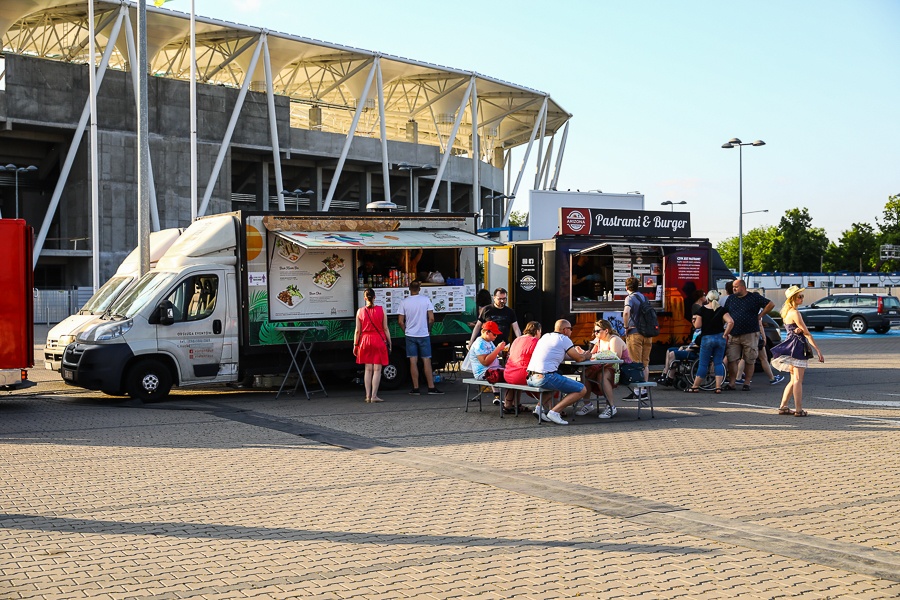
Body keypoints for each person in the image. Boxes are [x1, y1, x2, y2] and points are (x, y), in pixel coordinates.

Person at [770, 285, 825, 417]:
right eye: (799, 296)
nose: (802, 298)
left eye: (802, 296)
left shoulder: (787, 313)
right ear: (793, 298)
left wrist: (799, 331)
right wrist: (818, 350)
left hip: (790, 346)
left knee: (793, 379)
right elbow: (806, 333)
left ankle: (783, 407)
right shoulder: (795, 313)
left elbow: (796, 330)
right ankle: (798, 410)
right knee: (798, 380)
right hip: (797, 347)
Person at [526, 319, 591, 425]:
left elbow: (561, 354)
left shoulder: (546, 336)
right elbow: (579, 359)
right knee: (582, 389)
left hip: (530, 377)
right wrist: (586, 355)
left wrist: (577, 355)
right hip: (545, 377)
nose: (571, 332)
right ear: (565, 330)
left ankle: (539, 409)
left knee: (556, 383)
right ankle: (555, 412)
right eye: (571, 329)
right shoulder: (564, 339)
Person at [724, 279, 774, 391]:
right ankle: (732, 383)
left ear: (743, 287)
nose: (734, 289)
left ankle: (747, 383)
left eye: (736, 286)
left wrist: (761, 315)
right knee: (732, 359)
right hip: (734, 334)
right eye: (733, 287)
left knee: (750, 359)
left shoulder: (754, 297)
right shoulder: (731, 298)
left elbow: (771, 304)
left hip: (750, 333)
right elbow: (725, 312)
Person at [576, 319, 631, 419]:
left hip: (619, 369)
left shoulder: (614, 339)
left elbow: (616, 357)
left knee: (602, 375)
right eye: (594, 331)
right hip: (603, 366)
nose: (595, 333)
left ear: (606, 330)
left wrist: (596, 358)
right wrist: (582, 352)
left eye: (597, 331)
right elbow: (592, 355)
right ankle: (587, 404)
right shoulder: (599, 341)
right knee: (585, 373)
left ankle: (611, 406)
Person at [397, 280, 443, 396]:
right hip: (424, 334)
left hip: (410, 335)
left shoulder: (404, 302)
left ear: (409, 289)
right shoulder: (426, 300)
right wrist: (429, 329)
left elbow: (400, 321)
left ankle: (416, 388)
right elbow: (431, 318)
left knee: (413, 361)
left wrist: (406, 330)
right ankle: (431, 387)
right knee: (426, 360)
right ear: (419, 289)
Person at [685, 290, 734, 393]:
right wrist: (725, 334)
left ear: (707, 298)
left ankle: (695, 386)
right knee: (718, 363)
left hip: (707, 338)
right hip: (720, 338)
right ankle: (718, 387)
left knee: (703, 364)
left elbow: (698, 326)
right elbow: (730, 322)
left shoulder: (702, 310)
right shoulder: (722, 310)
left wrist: (694, 321)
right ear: (718, 298)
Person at [353, 287, 391, 403]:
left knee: (368, 369)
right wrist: (390, 342)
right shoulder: (382, 310)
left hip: (365, 341)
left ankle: (367, 396)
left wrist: (355, 344)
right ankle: (374, 396)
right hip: (378, 340)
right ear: (375, 297)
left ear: (365, 298)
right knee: (377, 369)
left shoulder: (360, 311)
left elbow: (357, 331)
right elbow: (385, 328)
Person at [622, 276, 654, 399]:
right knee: (645, 363)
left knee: (635, 362)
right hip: (647, 334)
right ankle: (644, 391)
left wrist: (625, 327)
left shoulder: (629, 298)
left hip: (635, 333)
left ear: (626, 287)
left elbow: (626, 312)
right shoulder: (644, 297)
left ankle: (637, 392)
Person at [501, 321, 542, 413]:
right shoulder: (535, 341)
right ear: (537, 331)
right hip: (522, 376)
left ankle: (510, 405)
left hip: (508, 374)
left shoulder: (517, 339)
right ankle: (550, 407)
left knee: (516, 377)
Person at [463, 320, 507, 403]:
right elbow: (485, 362)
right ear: (487, 332)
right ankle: (509, 402)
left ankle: (505, 400)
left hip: (491, 370)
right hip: (483, 373)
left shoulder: (489, 341)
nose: (496, 336)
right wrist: (498, 349)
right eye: (494, 334)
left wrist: (504, 352)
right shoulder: (479, 344)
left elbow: (495, 353)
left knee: (511, 373)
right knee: (509, 376)